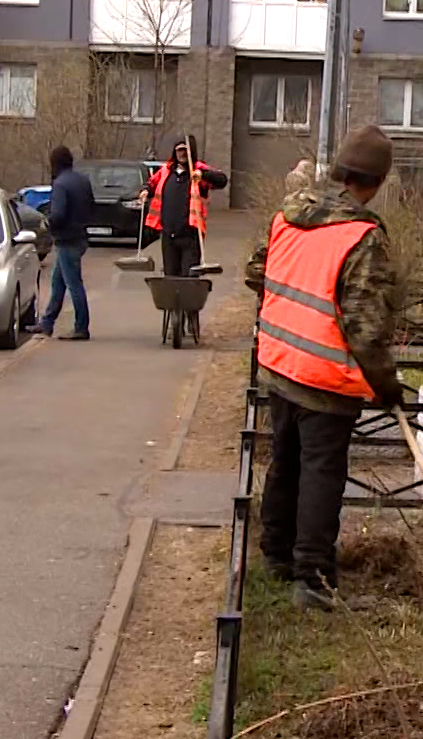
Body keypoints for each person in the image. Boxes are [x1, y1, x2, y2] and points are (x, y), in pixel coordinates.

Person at [245, 126, 403, 611]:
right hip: (325, 378)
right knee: (321, 473)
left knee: (285, 461)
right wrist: (386, 385)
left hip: (279, 363)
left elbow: (257, 271)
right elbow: (367, 327)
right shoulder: (362, 236)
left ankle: (275, 555)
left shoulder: (290, 214)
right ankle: (311, 577)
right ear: (374, 182)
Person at [142, 136, 229, 279]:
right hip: (168, 235)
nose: (182, 154)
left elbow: (222, 180)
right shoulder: (166, 171)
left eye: (185, 150)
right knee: (170, 278)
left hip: (190, 236)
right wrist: (146, 190)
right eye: (179, 150)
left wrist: (203, 175)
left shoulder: (198, 171)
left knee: (188, 278)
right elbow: (152, 183)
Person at [38, 145, 94, 340]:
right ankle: (46, 323)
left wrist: (49, 221)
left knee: (74, 284)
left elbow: (59, 214)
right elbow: (91, 206)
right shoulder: (82, 180)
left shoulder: (60, 184)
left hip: (66, 239)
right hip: (80, 236)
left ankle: (81, 327)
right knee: (58, 282)